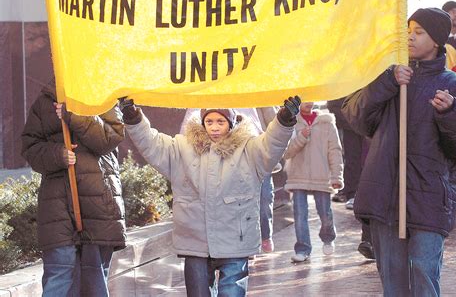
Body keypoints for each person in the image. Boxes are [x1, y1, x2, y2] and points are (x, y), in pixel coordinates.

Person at [342, 8, 456, 296]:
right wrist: (386, 83)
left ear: (437, 40)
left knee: (424, 271)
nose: (410, 37)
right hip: (385, 194)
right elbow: (355, 117)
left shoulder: (454, 85)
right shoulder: (389, 77)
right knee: (393, 278)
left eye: (418, 32)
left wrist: (451, 112)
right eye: (408, 30)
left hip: (430, 195)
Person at [119, 97, 300, 296]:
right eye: (209, 121)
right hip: (195, 241)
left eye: (220, 122)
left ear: (230, 123)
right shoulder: (182, 148)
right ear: (202, 122)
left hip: (235, 243)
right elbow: (152, 144)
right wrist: (133, 117)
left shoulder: (249, 149)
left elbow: (272, 144)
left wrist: (284, 119)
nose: (214, 127)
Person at [21, 80, 126, 297]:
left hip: (98, 203)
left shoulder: (102, 96)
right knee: (59, 273)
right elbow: (30, 147)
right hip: (57, 205)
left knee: (94, 278)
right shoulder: (44, 101)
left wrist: (74, 115)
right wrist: (58, 155)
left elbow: (110, 137)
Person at [179, 107, 280, 253]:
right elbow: (186, 128)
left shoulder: (248, 92)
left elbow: (273, 120)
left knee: (264, 198)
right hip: (218, 155)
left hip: (252, 151)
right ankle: (238, 245)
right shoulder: (203, 99)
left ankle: (264, 234)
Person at [284, 101, 343, 262]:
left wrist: (337, 176)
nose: (308, 103)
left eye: (311, 99)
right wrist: (301, 137)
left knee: (325, 214)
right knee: (299, 215)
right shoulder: (291, 122)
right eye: (305, 99)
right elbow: (286, 152)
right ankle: (303, 249)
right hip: (297, 176)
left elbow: (335, 151)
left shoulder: (327, 123)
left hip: (322, 177)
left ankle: (328, 237)